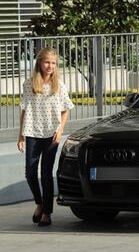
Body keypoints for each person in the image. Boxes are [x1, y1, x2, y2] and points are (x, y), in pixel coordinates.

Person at [17, 47, 74, 227]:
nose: (50, 66)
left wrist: (60, 130)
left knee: (46, 174)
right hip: (32, 132)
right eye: (47, 62)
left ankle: (47, 213)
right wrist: (21, 136)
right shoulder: (29, 84)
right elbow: (24, 110)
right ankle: (39, 203)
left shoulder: (60, 85)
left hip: (51, 133)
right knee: (30, 173)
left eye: (53, 63)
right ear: (40, 63)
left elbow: (66, 110)